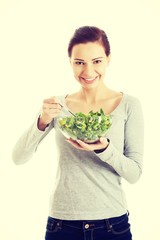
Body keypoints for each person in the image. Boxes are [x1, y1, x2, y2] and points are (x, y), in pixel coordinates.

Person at [12, 26, 144, 240]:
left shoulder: (129, 105)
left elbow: (134, 174)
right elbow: (18, 158)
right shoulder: (57, 106)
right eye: (79, 62)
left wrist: (104, 148)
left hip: (112, 225)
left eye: (97, 61)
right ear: (70, 63)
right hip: (61, 225)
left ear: (109, 59)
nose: (89, 71)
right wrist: (42, 121)